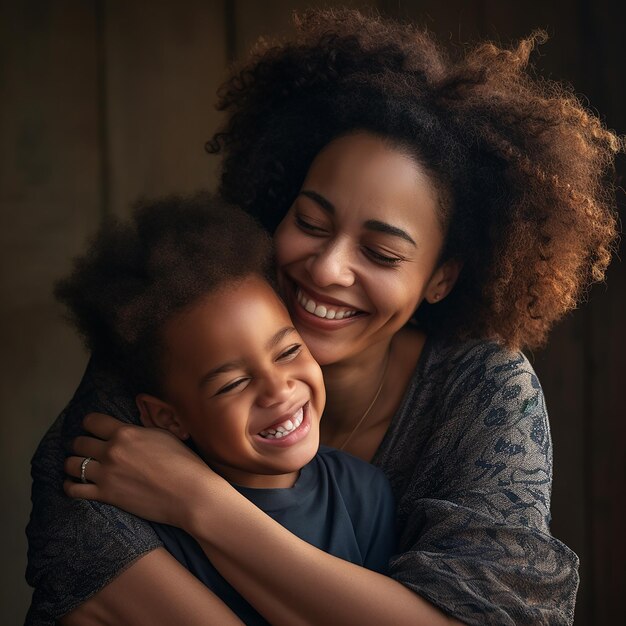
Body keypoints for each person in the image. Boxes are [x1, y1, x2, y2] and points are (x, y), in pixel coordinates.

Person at [26, 8, 620, 626]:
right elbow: (84, 556)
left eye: (382, 252)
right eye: (310, 223)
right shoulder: (177, 321)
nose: (328, 268)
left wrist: (199, 502)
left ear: (441, 278)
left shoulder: (483, 393)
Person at [51, 194, 395, 626]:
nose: (278, 389)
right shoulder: (144, 521)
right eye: (233, 383)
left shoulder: (364, 494)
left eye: (288, 350)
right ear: (166, 417)